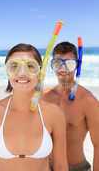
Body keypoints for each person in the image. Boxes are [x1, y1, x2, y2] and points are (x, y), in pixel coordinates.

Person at [0, 43, 68, 171]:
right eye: (14, 66)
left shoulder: (54, 114)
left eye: (30, 66)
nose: (22, 73)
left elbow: (60, 166)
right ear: (7, 71)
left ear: (40, 72)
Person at [42, 41, 99, 171]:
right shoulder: (44, 98)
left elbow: (98, 145)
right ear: (53, 65)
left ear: (77, 66)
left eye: (69, 63)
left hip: (77, 168)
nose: (63, 69)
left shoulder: (88, 101)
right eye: (58, 63)